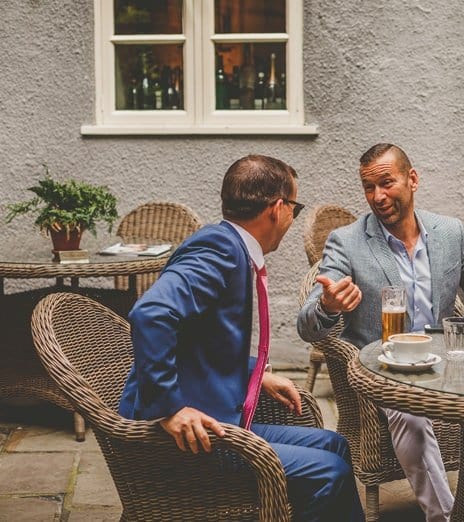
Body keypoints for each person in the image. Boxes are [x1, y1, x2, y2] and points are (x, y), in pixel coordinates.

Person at [118, 155, 363, 522]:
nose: (292, 218)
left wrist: (254, 374)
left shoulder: (230, 246)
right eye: (294, 208)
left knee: (334, 444)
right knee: (330, 473)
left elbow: (198, 343)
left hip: (219, 416)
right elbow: (151, 314)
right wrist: (170, 408)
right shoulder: (219, 250)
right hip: (190, 437)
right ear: (277, 208)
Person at [296, 143, 464, 521]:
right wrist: (328, 306)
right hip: (385, 370)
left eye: (386, 183)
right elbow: (307, 326)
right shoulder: (347, 242)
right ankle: (446, 517)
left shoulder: (449, 232)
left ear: (412, 179)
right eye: (369, 187)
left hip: (446, 363)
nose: (377, 196)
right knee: (408, 410)